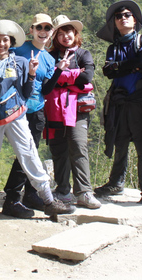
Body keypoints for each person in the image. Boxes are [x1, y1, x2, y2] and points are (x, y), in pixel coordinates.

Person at [0, 20, 74, 223]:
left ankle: (48, 200)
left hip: (17, 115)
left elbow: (26, 93)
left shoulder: (21, 62)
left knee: (29, 154)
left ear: (11, 42)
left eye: (5, 40)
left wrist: (32, 74)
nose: (1, 44)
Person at [94, 0, 142, 206]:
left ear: (135, 20)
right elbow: (108, 72)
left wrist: (121, 67)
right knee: (120, 143)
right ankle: (116, 183)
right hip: (120, 103)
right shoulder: (113, 48)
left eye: (127, 15)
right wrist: (133, 67)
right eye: (118, 16)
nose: (122, 18)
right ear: (115, 23)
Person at [42, 15, 100, 209]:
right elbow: (47, 80)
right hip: (54, 111)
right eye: (61, 33)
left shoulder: (84, 54)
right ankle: (63, 190)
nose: (66, 36)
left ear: (75, 34)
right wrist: (74, 75)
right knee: (59, 150)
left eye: (69, 31)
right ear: (55, 36)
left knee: (78, 146)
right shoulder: (49, 57)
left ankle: (84, 192)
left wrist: (62, 75)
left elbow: (87, 77)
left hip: (78, 111)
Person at [1, 14, 55, 218]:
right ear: (31, 30)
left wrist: (58, 70)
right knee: (24, 154)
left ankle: (30, 195)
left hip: (37, 111)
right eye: (39, 27)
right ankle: (11, 198)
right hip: (15, 109)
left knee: (31, 153)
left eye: (47, 28)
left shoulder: (50, 59)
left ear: (51, 32)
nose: (43, 31)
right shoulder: (18, 50)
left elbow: (46, 89)